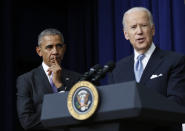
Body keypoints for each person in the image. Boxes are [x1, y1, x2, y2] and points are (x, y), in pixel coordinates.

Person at [108, 7, 185, 131]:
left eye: (143, 25)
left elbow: (176, 103)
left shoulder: (175, 61)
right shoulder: (117, 69)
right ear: (126, 34)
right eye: (133, 27)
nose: (139, 31)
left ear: (153, 30)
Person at [16, 28, 81, 130]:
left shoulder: (77, 79)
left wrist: (60, 86)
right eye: (49, 47)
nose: (55, 51)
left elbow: (80, 114)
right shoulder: (26, 80)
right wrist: (56, 107)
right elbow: (27, 122)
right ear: (39, 51)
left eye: (59, 46)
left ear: (64, 49)